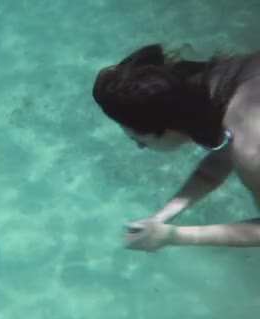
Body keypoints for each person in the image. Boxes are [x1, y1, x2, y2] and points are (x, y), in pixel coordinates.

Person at [92, 43, 260, 252]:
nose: (140, 148)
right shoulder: (228, 77)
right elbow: (220, 160)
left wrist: (173, 235)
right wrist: (161, 218)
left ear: (168, 127)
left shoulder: (251, 149)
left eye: (141, 141)